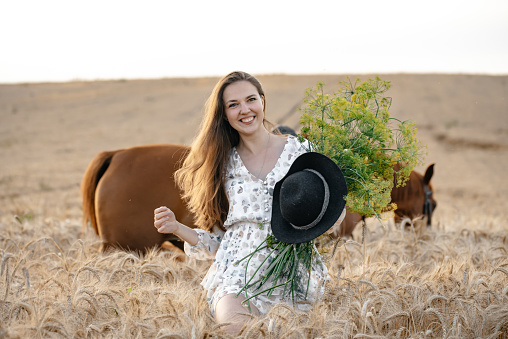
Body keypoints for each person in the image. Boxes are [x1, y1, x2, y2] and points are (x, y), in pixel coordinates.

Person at [154, 71, 346, 335]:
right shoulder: (220, 167)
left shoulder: (300, 151)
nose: (244, 110)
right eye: (233, 105)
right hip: (238, 280)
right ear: (224, 115)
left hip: (295, 277)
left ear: (263, 102)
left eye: (250, 99)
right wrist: (176, 227)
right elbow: (220, 245)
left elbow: (332, 214)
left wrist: (328, 215)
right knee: (237, 330)